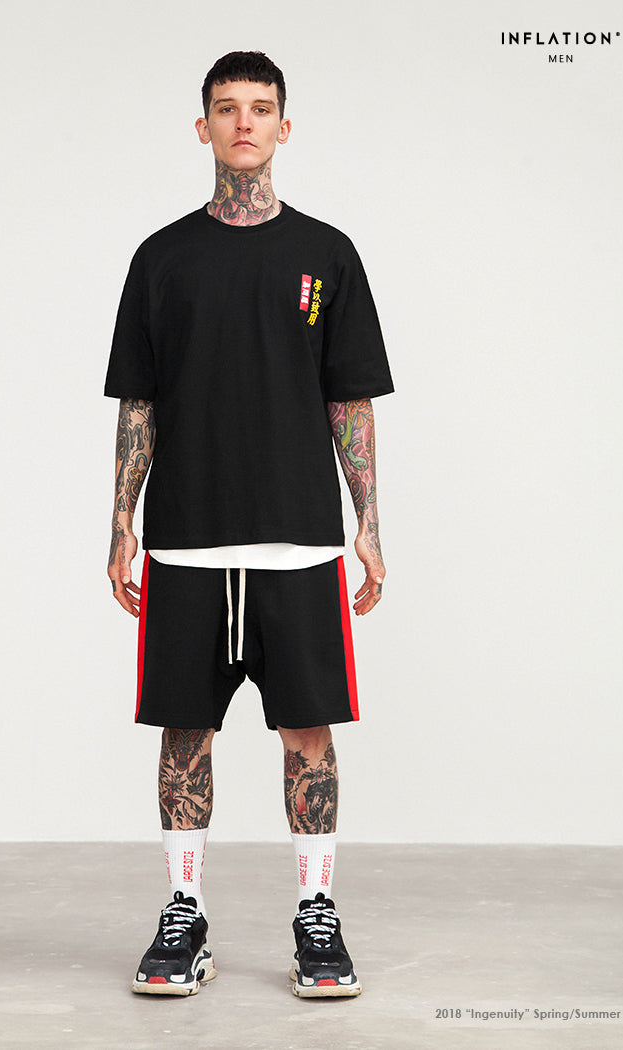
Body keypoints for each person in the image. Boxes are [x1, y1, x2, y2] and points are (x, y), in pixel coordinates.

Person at [105, 50, 393, 999]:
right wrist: (121, 523)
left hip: (299, 541)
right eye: (226, 109)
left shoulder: (327, 254)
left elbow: (349, 400)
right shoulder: (162, 258)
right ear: (203, 128)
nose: (243, 123)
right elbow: (139, 402)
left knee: (308, 732)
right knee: (183, 734)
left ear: (283, 126)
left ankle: (317, 917)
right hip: (186, 538)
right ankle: (183, 914)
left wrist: (368, 524)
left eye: (259, 108)